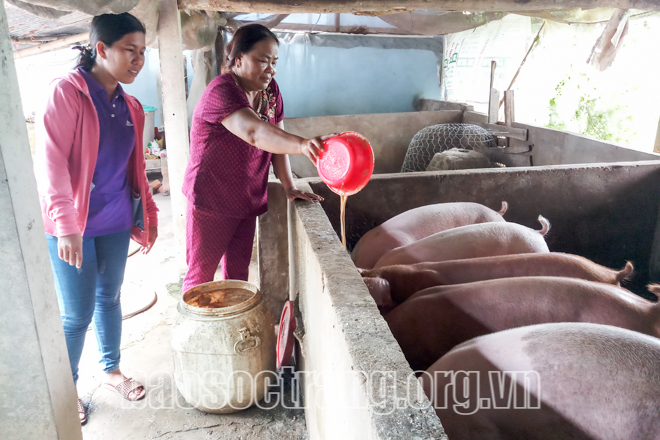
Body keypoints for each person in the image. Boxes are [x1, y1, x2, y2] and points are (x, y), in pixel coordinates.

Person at [34, 13, 158, 424]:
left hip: (116, 220)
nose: (138, 60)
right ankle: (65, 390)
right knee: (75, 314)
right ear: (101, 49)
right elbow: (50, 164)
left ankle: (110, 370)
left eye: (142, 52)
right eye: (129, 50)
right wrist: (66, 224)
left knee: (110, 298)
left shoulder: (130, 104)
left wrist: (147, 216)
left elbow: (134, 169)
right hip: (72, 226)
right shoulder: (67, 93)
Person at [182, 24, 333, 292]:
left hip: (246, 197)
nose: (271, 69)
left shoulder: (271, 91)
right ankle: (195, 333)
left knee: (239, 275)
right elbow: (255, 132)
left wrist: (289, 186)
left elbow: (277, 139)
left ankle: (233, 330)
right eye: (263, 61)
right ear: (238, 59)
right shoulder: (222, 91)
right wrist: (303, 145)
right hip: (211, 199)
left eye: (274, 62)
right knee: (201, 278)